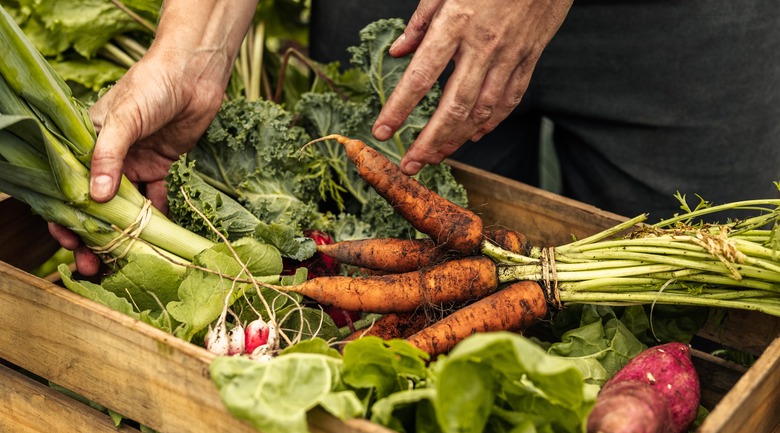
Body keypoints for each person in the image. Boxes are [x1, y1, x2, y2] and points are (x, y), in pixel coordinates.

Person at [51, 0, 780, 276]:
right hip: (408, 19)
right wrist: (197, 50)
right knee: (376, 265)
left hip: (693, 26)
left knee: (708, 304)